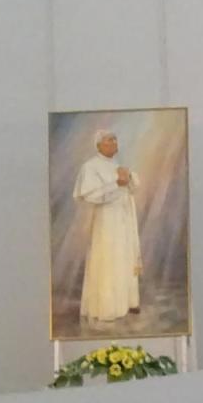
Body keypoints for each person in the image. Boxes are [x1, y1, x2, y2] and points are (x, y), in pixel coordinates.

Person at [73, 130, 142, 321]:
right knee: (108, 258)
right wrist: (117, 183)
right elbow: (90, 195)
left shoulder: (117, 165)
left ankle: (127, 302)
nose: (114, 143)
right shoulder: (90, 167)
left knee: (125, 256)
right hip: (107, 221)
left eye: (115, 140)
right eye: (109, 140)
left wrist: (129, 178)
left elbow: (132, 188)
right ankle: (107, 308)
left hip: (124, 219)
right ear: (98, 145)